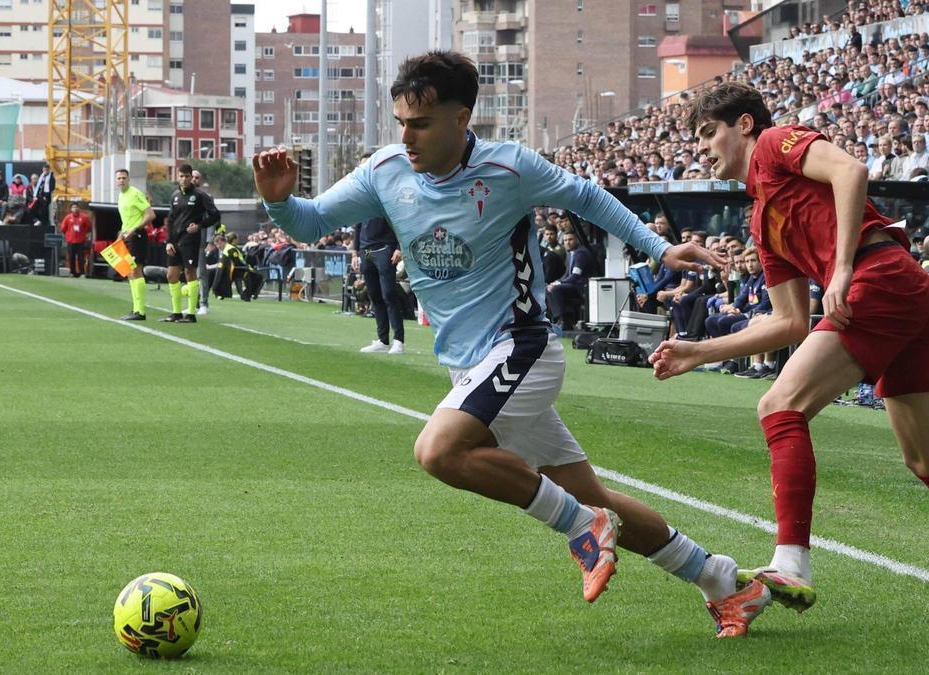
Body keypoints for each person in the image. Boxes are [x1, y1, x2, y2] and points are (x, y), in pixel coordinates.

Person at [253, 51, 808, 638]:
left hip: (522, 348)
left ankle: (580, 526)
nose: (406, 136)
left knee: (438, 452)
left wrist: (659, 247)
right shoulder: (385, 171)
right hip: (471, 366)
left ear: (461, 117)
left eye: (419, 123)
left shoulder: (510, 168)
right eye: (400, 123)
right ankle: (725, 582)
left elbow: (587, 198)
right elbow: (310, 223)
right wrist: (278, 199)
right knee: (596, 497)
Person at [650, 82, 929, 610]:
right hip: (902, 292)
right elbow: (788, 323)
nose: (702, 147)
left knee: (778, 406)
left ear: (744, 126)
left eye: (709, 133)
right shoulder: (760, 219)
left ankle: (791, 562)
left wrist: (843, 267)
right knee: (926, 459)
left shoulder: (777, 142)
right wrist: (697, 351)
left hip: (880, 279)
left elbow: (851, 170)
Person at [351, 159, 406, 354]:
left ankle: (399, 340)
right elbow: (357, 226)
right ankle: (383, 340)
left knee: (389, 294)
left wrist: (399, 247)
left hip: (385, 248)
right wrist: (354, 252)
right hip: (366, 250)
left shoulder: (389, 193)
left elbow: (400, 222)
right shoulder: (362, 197)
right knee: (374, 296)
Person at [161, 163, 220, 323]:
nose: (185, 179)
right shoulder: (174, 196)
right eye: (182, 176)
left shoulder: (200, 195)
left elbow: (215, 215)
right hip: (175, 242)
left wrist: (200, 226)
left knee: (189, 273)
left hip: (191, 241)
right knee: (171, 275)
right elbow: (171, 220)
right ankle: (176, 312)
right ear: (177, 177)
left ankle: (191, 314)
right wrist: (168, 241)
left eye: (187, 176)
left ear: (191, 178)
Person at [116, 168, 156, 321]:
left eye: (124, 178)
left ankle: (140, 311)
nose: (121, 180)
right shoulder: (121, 196)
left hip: (137, 236)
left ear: (128, 179)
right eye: (119, 178)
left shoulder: (135, 193)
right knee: (129, 272)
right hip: (127, 236)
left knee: (135, 271)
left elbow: (150, 214)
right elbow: (126, 220)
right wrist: (121, 234)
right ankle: (136, 308)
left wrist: (135, 229)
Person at [545, 231, 595, 330]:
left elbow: (576, 275)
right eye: (565, 240)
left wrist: (559, 283)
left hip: (582, 287)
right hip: (573, 285)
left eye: (570, 239)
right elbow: (567, 274)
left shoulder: (581, 253)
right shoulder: (571, 253)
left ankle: (561, 320)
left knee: (556, 289)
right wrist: (555, 282)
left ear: (576, 240)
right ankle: (560, 319)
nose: (567, 242)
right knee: (549, 287)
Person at [59, 202, 92, 278]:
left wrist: (83, 233)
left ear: (79, 208)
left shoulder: (84, 217)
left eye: (76, 207)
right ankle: (72, 272)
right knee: (71, 258)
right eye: (73, 207)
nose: (75, 209)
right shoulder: (68, 218)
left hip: (81, 241)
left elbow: (88, 227)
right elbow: (63, 228)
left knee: (81, 258)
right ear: (71, 209)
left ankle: (82, 273)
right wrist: (68, 235)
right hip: (71, 241)